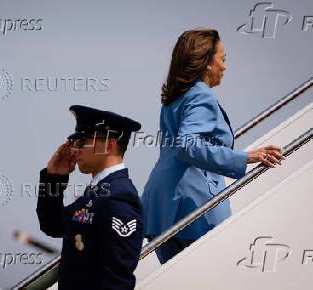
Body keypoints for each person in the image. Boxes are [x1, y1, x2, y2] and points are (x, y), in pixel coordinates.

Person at [140, 29, 285, 264]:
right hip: (193, 204)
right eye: (222, 59)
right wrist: (244, 157)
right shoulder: (200, 95)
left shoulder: (176, 97)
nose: (225, 67)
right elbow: (188, 146)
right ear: (207, 62)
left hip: (161, 205)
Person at [36, 105, 144, 290]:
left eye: (81, 142)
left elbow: (116, 279)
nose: (75, 150)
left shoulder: (118, 197)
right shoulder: (97, 192)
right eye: (74, 142)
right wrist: (55, 178)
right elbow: (52, 225)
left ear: (109, 145)